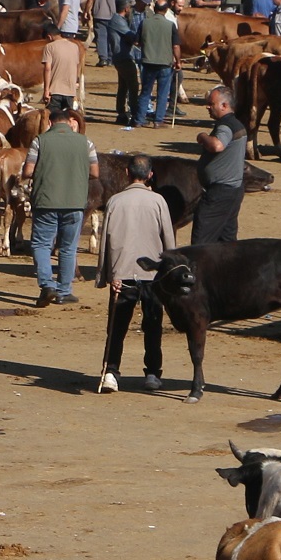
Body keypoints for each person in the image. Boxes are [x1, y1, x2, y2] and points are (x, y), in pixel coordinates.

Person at [97, 158, 178, 394]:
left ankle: (111, 371)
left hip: (121, 273)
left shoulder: (115, 201)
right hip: (152, 275)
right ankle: (152, 373)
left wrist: (107, 275)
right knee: (153, 324)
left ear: (126, 173)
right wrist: (169, 271)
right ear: (150, 174)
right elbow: (168, 241)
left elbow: (105, 242)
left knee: (116, 327)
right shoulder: (158, 201)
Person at [26, 103, 94, 306]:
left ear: (50, 123)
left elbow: (29, 170)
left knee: (42, 244)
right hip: (74, 202)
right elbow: (96, 172)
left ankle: (47, 284)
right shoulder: (86, 143)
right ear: (69, 123)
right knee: (68, 247)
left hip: (46, 201)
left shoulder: (40, 141)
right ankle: (64, 291)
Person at [193, 84, 249, 245]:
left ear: (224, 106)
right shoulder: (236, 124)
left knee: (201, 241)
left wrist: (203, 136)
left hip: (220, 193)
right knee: (226, 241)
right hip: (233, 190)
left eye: (211, 104)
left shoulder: (226, 126)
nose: (207, 107)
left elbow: (217, 145)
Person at [44, 29, 83, 118]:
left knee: (53, 119)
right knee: (67, 118)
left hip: (55, 90)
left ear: (49, 36)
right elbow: (77, 66)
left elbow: (47, 68)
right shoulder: (74, 47)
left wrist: (46, 90)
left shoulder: (49, 47)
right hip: (70, 91)